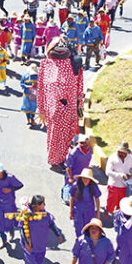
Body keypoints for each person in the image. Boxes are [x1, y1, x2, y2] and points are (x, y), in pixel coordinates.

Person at [37, 37, 83, 171]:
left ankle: (64, 158)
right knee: (55, 136)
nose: (59, 48)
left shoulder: (75, 63)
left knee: (68, 135)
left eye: (62, 44)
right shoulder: (46, 64)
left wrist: (79, 106)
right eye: (56, 45)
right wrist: (41, 109)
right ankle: (55, 160)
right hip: (54, 110)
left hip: (70, 108)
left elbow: (80, 86)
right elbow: (41, 89)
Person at [19, 195, 64, 264]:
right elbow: (21, 229)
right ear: (37, 205)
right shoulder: (27, 214)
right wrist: (26, 244)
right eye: (43, 203)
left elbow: (52, 224)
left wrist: (58, 235)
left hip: (41, 245)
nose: (45, 205)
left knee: (39, 263)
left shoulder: (45, 215)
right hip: (29, 246)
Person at [0, 162, 24, 248]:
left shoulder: (10, 177)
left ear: (2, 171)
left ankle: (11, 230)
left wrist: (11, 189)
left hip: (9, 202)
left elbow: (20, 185)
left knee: (9, 219)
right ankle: (3, 240)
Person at [69, 167, 101, 237]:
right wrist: (70, 211)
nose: (85, 180)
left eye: (87, 178)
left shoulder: (93, 186)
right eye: (84, 178)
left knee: (88, 228)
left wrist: (98, 212)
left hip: (89, 211)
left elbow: (97, 199)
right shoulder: (76, 186)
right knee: (78, 228)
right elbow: (72, 198)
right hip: (78, 211)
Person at [105, 142, 132, 215]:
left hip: (124, 186)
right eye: (119, 151)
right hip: (113, 185)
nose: (120, 153)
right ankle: (107, 216)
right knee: (110, 203)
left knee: (121, 205)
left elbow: (131, 168)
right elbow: (108, 172)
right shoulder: (112, 157)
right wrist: (121, 175)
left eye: (123, 152)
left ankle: (118, 219)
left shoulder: (130, 158)